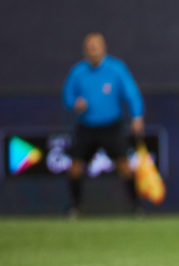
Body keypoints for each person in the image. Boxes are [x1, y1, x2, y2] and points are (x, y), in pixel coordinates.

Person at [61, 32, 145, 217]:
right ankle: (75, 208)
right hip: (87, 127)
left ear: (103, 48)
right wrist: (74, 103)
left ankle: (136, 207)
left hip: (111, 126)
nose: (93, 51)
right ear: (85, 50)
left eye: (96, 47)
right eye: (89, 48)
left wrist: (137, 116)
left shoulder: (116, 69)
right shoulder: (78, 72)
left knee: (124, 166)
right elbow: (67, 95)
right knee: (75, 167)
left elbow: (132, 94)